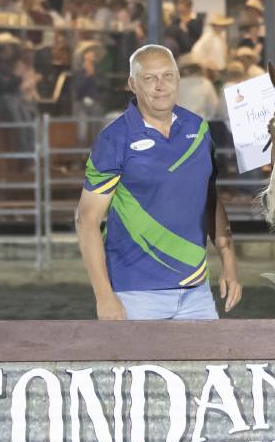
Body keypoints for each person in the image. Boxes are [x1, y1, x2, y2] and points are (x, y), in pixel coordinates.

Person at [76, 45, 241, 320]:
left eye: (167, 76)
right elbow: (86, 220)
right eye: (149, 78)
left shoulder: (198, 129)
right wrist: (104, 297)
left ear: (178, 79)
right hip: (134, 295)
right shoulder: (114, 139)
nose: (160, 86)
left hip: (196, 292)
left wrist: (228, 259)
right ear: (132, 84)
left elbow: (209, 198)